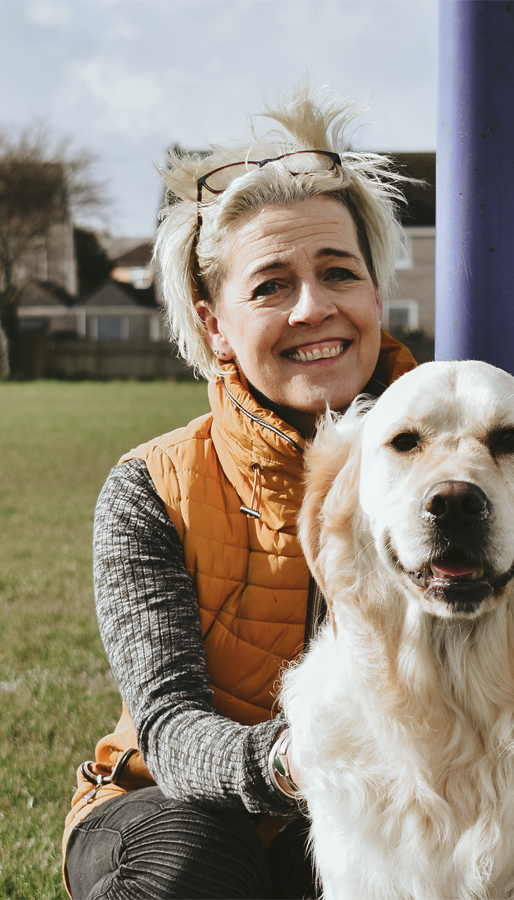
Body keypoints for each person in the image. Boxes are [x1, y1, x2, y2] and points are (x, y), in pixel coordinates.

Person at [61, 88, 418, 900]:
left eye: (338, 273)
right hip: (166, 803)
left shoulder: (458, 465)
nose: (314, 307)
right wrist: (297, 761)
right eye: (269, 286)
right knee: (190, 864)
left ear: (375, 295)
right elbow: (174, 730)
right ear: (214, 324)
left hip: (382, 809)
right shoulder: (149, 487)